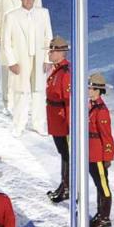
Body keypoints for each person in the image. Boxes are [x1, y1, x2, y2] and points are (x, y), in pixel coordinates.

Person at [1, 0, 53, 135]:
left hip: (39, 59)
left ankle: (39, 124)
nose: (29, 0)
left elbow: (48, 37)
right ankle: (18, 125)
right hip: (21, 60)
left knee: (39, 92)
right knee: (21, 92)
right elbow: (6, 42)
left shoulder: (43, 13)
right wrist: (12, 62)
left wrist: (47, 58)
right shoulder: (11, 16)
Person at [46, 37, 74, 203]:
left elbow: (69, 102)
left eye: (52, 50)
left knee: (67, 154)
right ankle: (64, 185)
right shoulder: (57, 69)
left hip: (63, 121)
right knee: (63, 153)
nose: (49, 53)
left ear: (61, 53)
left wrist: (70, 125)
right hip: (56, 118)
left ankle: (67, 187)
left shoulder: (65, 73)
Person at [85, 73, 114, 227]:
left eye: (91, 88)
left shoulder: (101, 110)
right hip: (91, 151)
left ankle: (105, 216)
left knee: (103, 185)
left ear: (98, 90)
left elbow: (106, 135)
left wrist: (107, 156)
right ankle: (100, 213)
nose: (88, 90)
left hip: (98, 153)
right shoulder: (91, 105)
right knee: (98, 184)